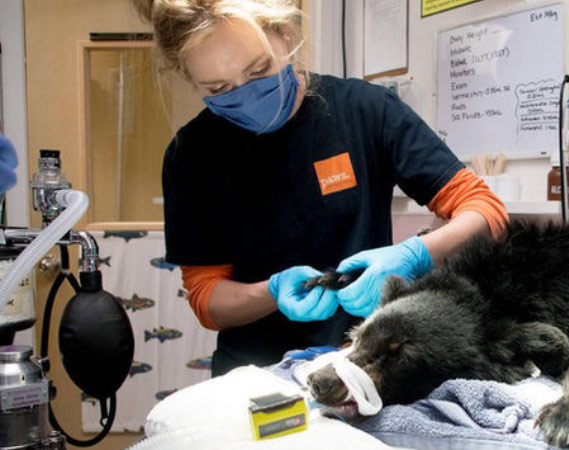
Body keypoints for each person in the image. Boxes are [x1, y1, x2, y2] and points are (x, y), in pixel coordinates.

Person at [133, 0, 508, 376]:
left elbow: (486, 211)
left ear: (286, 35)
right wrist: (272, 292)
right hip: (255, 377)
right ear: (190, 79)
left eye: (259, 70)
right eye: (219, 88)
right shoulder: (192, 154)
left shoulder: (366, 110)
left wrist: (413, 255)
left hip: (365, 364)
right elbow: (206, 299)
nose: (245, 95)